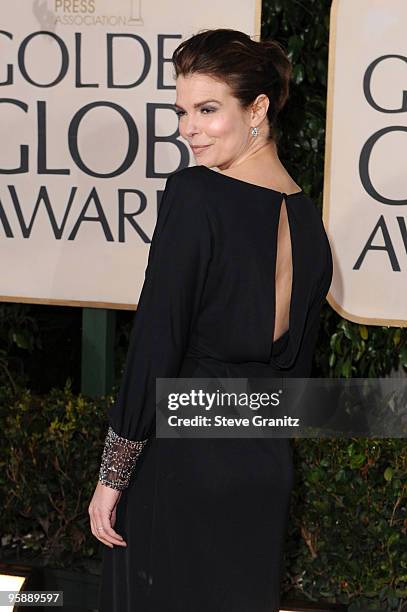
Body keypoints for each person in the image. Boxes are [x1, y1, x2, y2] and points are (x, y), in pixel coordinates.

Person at [88, 28, 333, 612]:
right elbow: (295, 376)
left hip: (183, 463)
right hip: (263, 467)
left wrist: (113, 473)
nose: (188, 128)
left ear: (258, 109)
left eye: (207, 109)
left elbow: (156, 341)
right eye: (181, 111)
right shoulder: (308, 224)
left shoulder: (196, 194)